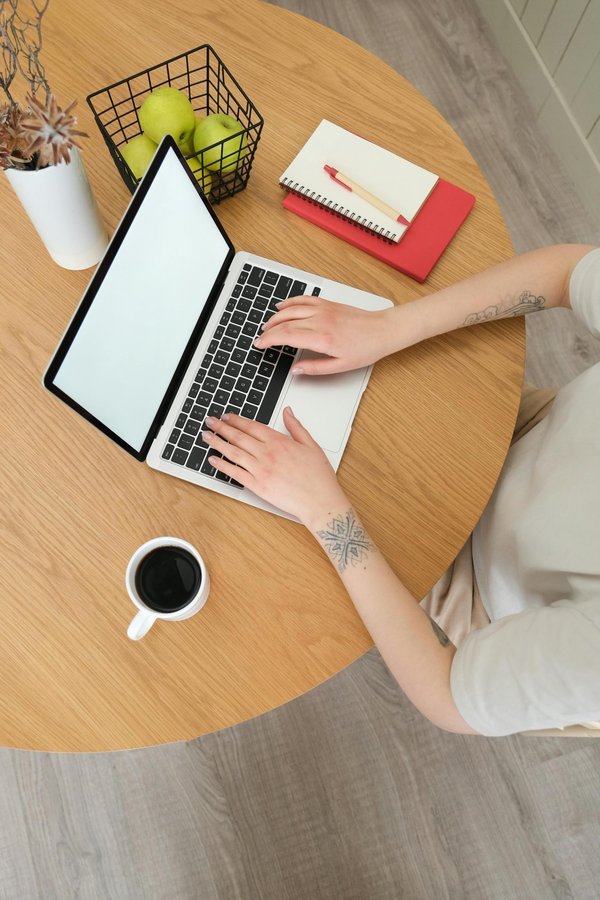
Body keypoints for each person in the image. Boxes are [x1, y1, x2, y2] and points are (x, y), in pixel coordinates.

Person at [202, 244, 600, 737]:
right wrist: (388, 327)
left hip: (475, 587)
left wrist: (324, 510)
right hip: (527, 433)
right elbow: (567, 273)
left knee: (241, 551)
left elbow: (447, 692)